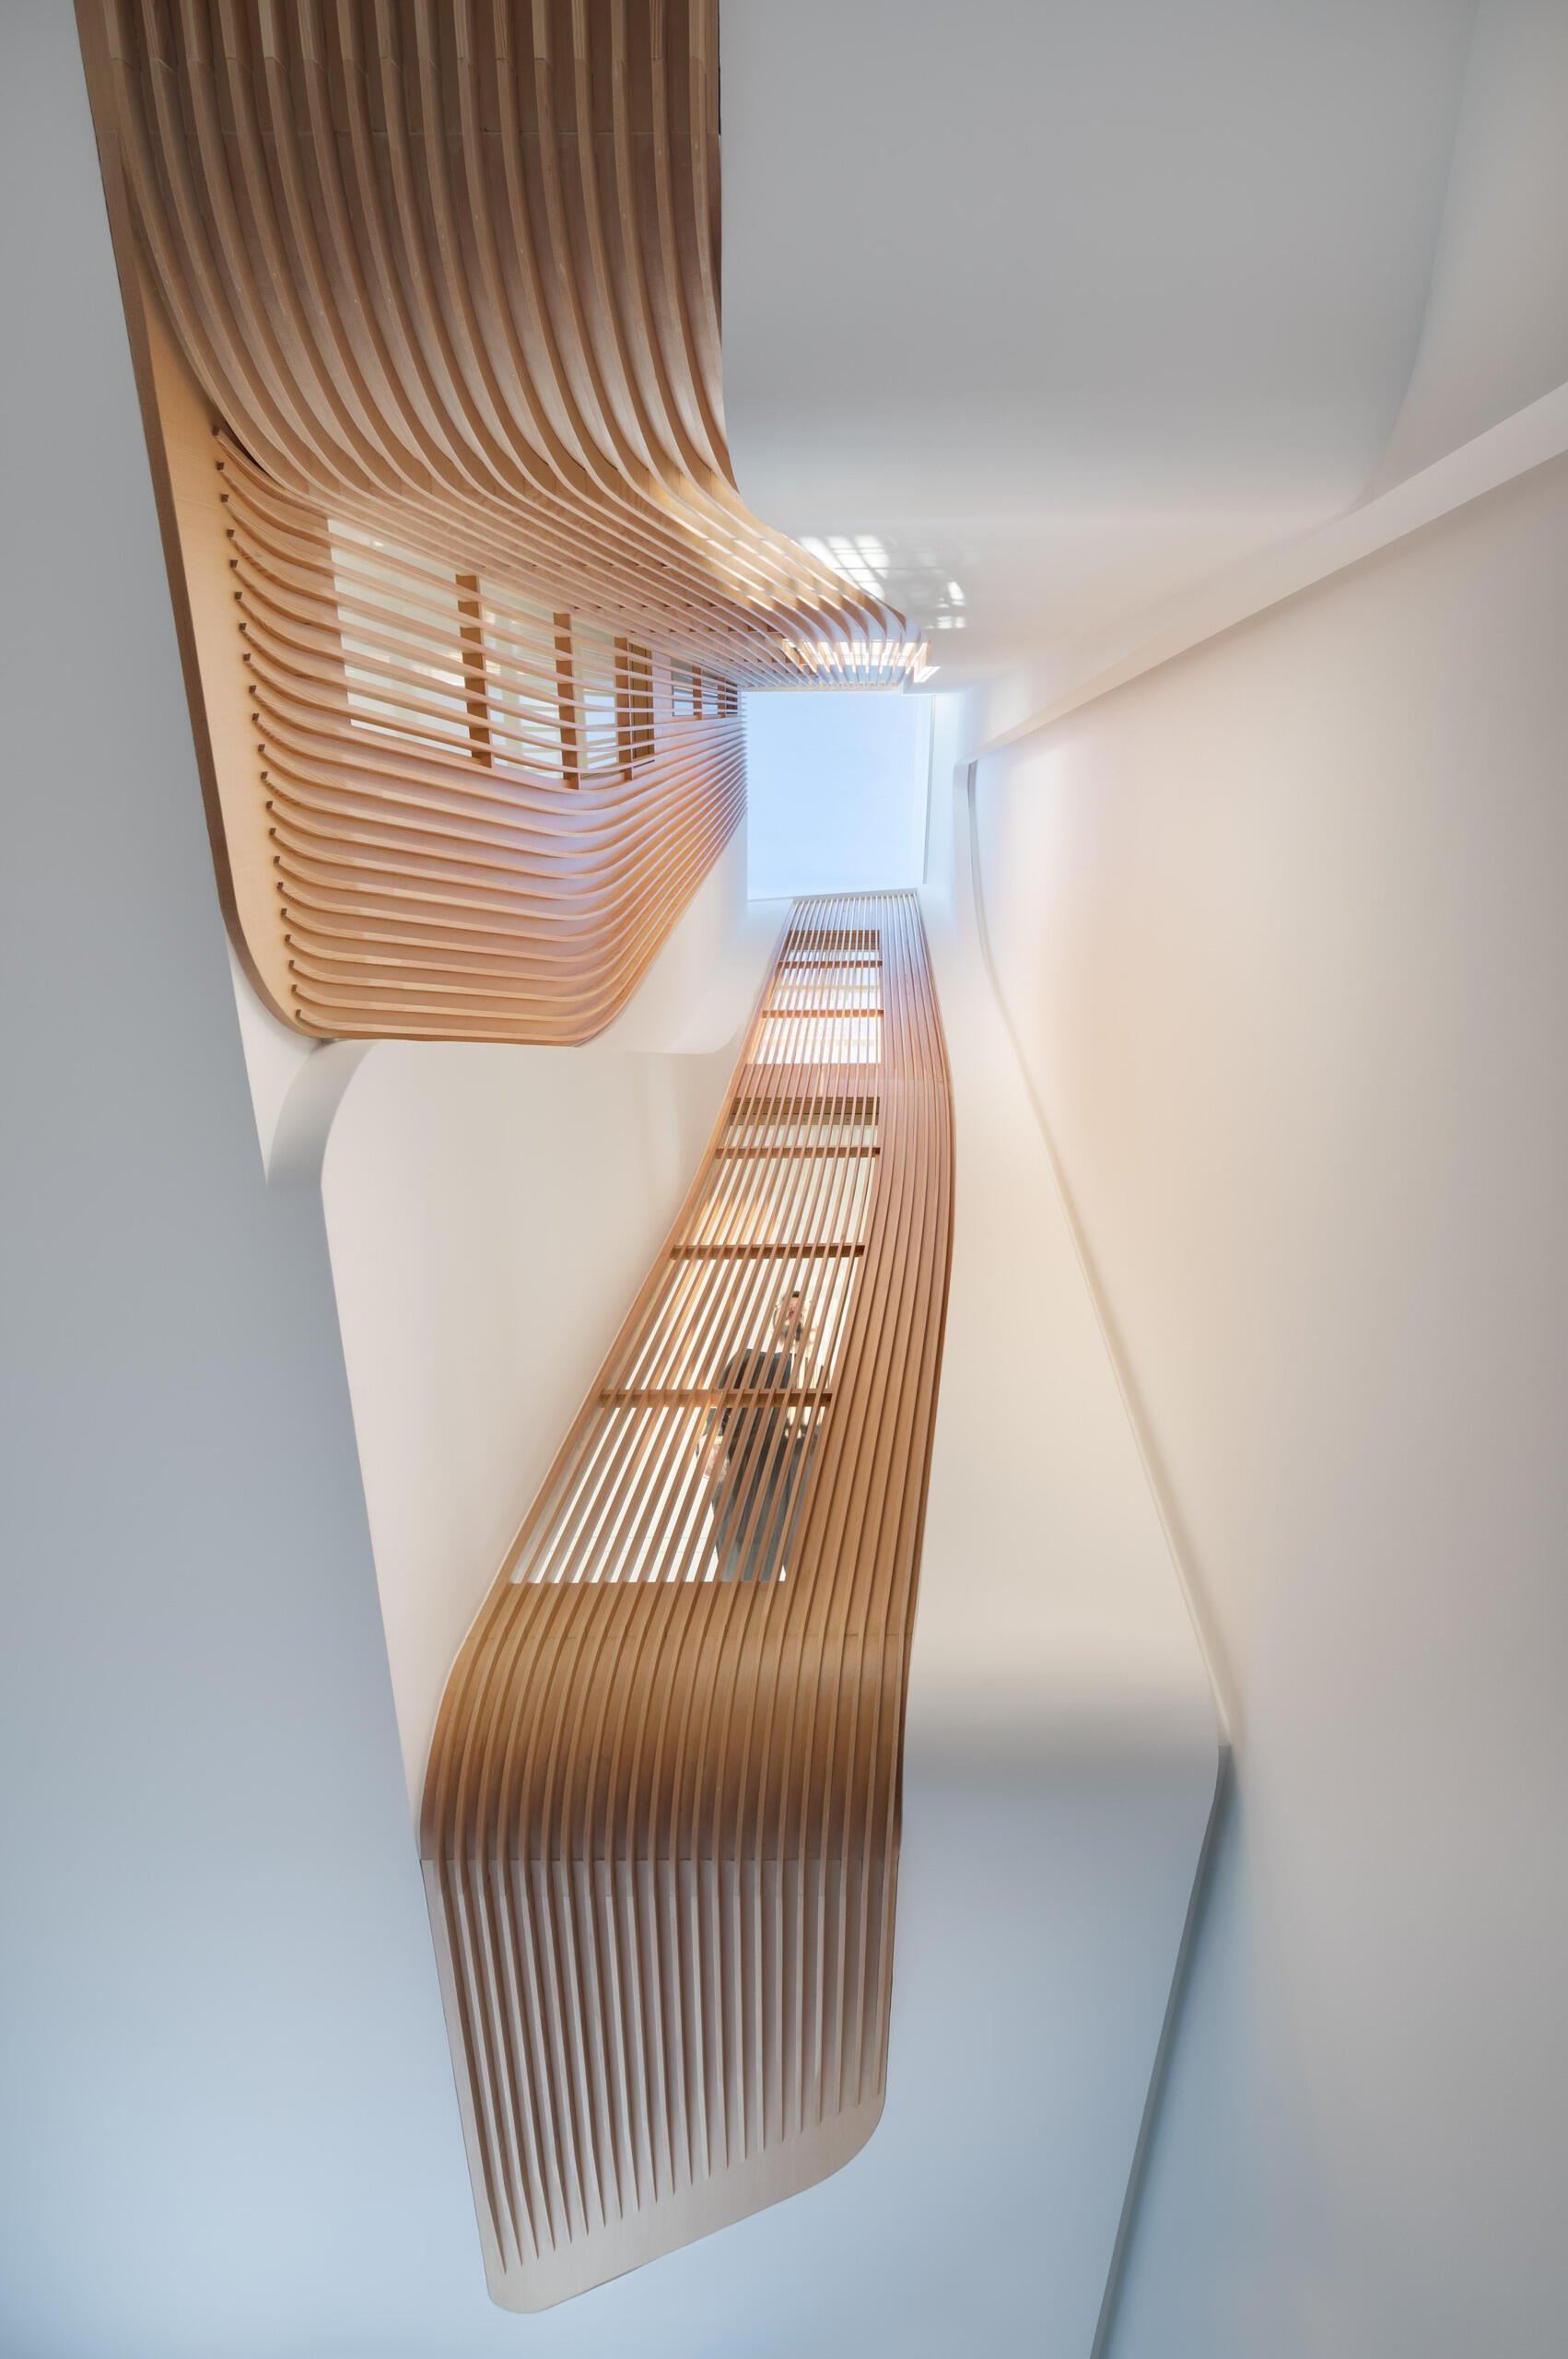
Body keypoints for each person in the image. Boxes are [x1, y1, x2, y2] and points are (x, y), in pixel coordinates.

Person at [698, 1290, 817, 1582]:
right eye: (785, 1306)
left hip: (809, 1473)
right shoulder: (748, 1360)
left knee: (811, 1577)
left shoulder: (830, 1374)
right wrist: (710, 1442)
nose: (793, 1307)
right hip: (751, 1470)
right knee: (745, 1570)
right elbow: (718, 1407)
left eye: (802, 1306)